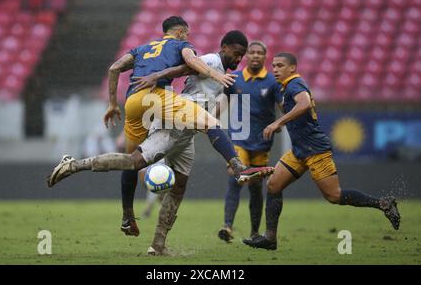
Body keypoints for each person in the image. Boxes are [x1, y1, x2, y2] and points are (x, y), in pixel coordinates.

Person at [46, 31, 274, 254]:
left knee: (179, 186)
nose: (238, 58)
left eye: (241, 55)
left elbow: (233, 91)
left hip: (188, 133)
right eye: (236, 53)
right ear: (224, 48)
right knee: (135, 161)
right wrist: (156, 76)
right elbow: (185, 67)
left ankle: (158, 245)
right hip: (176, 119)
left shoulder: (224, 74)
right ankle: (73, 165)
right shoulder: (212, 60)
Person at [101, 17, 266, 233]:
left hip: (134, 101)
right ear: (180, 33)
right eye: (186, 34)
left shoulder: (142, 48)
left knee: (140, 166)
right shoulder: (186, 48)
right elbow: (190, 63)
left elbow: (114, 68)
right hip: (164, 104)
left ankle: (132, 220)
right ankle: (237, 166)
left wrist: (113, 104)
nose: (188, 38)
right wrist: (214, 75)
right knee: (139, 161)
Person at [243, 53, 401, 251]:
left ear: (292, 68)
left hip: (315, 150)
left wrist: (278, 122)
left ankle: (384, 204)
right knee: (274, 185)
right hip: (299, 150)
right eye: (273, 65)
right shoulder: (286, 87)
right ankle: (270, 238)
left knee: (334, 196)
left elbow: (305, 103)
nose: (275, 69)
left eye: (280, 65)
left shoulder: (294, 84)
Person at [217, 41, 283, 243]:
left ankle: (255, 232)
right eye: (251, 52)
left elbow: (283, 108)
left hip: (262, 143)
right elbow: (222, 102)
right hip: (238, 138)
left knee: (255, 188)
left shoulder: (272, 82)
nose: (255, 56)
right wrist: (209, 118)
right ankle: (227, 226)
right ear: (246, 56)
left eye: (259, 53)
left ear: (265, 57)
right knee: (235, 178)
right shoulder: (234, 79)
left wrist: (280, 123)